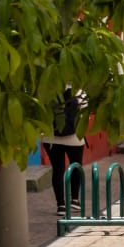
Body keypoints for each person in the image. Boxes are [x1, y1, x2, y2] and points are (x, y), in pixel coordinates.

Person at [44, 87, 85, 216]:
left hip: (51, 137)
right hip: (74, 137)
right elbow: (85, 112)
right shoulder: (79, 91)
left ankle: (61, 205)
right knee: (76, 166)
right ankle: (74, 200)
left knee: (57, 170)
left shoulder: (46, 91)